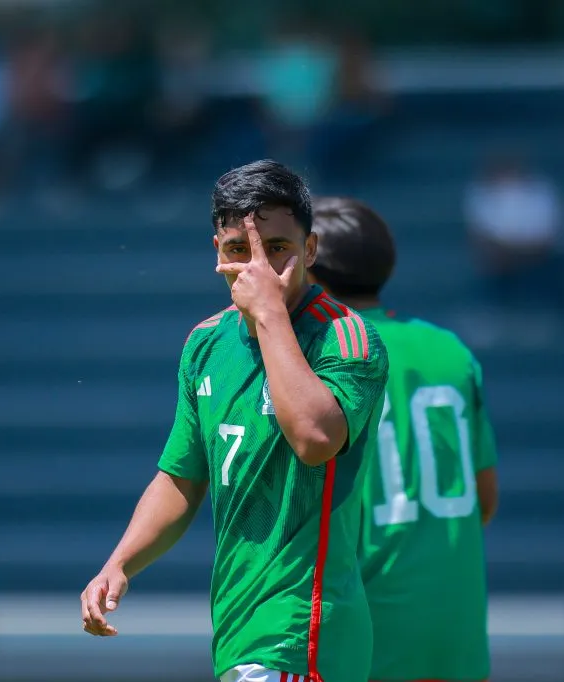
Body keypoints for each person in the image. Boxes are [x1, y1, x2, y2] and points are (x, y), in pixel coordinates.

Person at [80, 160, 389, 682]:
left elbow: (316, 439)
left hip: (303, 633)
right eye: (239, 250)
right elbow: (182, 477)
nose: (258, 270)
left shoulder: (345, 337)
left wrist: (268, 314)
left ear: (310, 250)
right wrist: (120, 563)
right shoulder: (206, 344)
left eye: (278, 249)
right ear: (217, 254)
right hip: (237, 631)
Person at [308, 197, 500, 682]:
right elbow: (485, 500)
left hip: (367, 620)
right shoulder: (449, 350)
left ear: (312, 268)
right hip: (454, 625)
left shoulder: (319, 353)